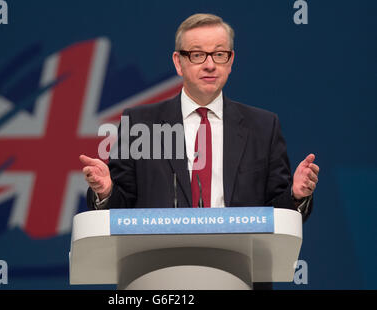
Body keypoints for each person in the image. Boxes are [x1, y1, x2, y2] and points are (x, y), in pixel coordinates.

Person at [79, 13, 319, 288]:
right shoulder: (140, 123)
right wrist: (107, 190)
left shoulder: (263, 126)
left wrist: (296, 195)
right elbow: (122, 208)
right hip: (157, 275)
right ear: (178, 62)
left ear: (230, 61)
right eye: (197, 55)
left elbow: (277, 214)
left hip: (241, 276)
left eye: (219, 55)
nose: (209, 65)